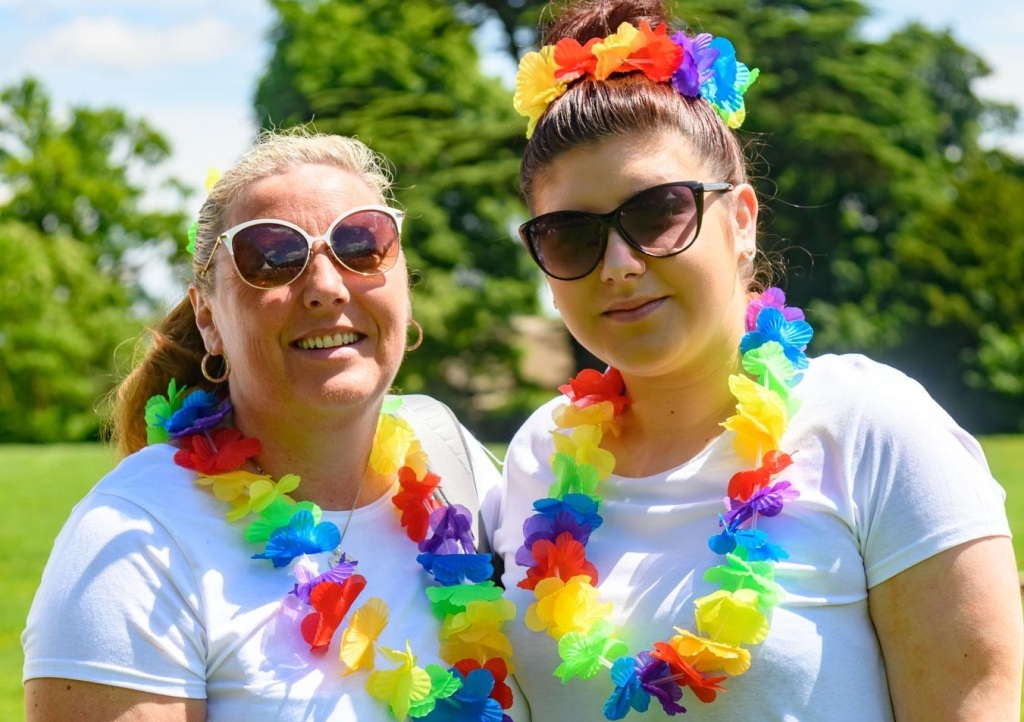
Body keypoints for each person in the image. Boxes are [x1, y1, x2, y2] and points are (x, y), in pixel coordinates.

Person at [490, 1, 1023, 720]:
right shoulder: (538, 457)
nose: (618, 264)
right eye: (570, 235)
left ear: (740, 220)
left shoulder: (870, 426)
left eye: (657, 213)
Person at [23, 130, 529, 722]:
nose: (326, 287)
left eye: (362, 244)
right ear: (209, 317)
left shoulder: (447, 453)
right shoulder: (133, 539)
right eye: (273, 259)